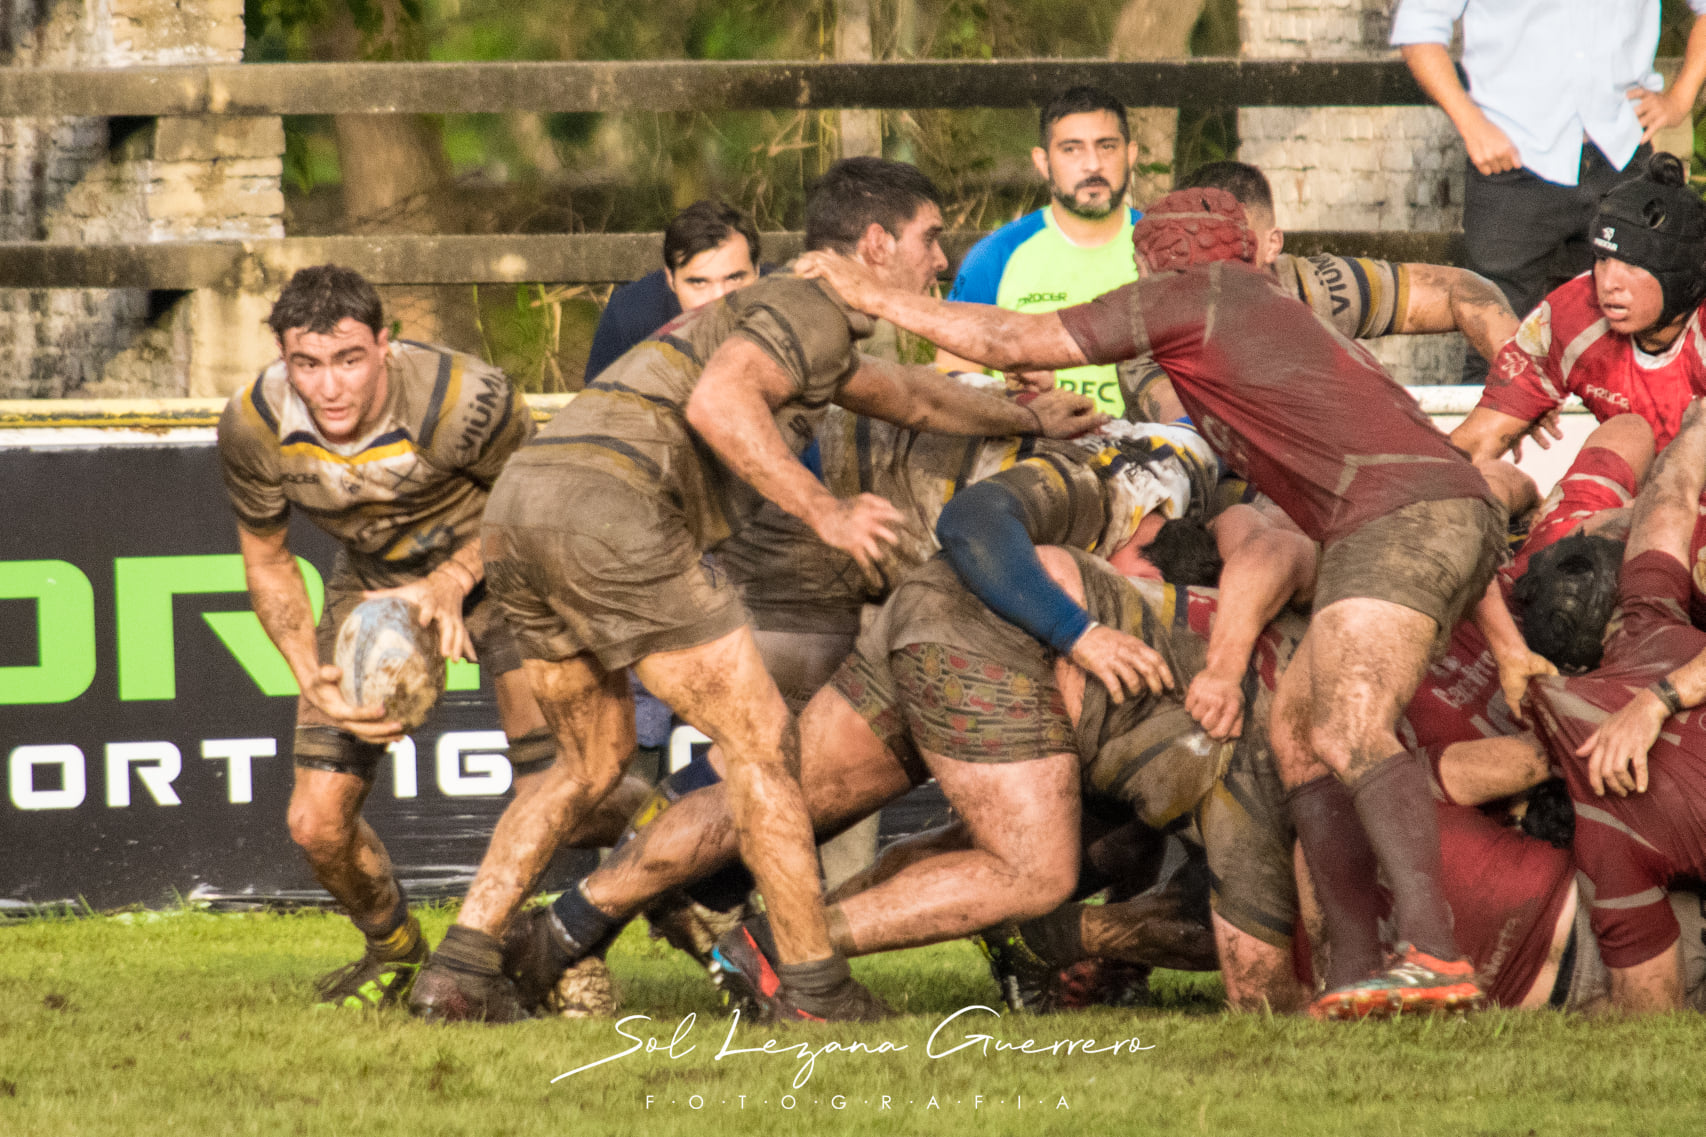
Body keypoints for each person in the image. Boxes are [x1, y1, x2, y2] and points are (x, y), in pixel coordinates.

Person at [797, 186, 1556, 1017]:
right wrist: (1508, 644)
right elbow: (1451, 490)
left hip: (1393, 519)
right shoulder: (1268, 300)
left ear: (1158, 258)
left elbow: (1010, 335)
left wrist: (866, 292)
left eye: (1140, 260)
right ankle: (1354, 968)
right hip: (1418, 516)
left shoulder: (1193, 295)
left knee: (1346, 725)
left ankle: (1435, 954)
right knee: (1300, 735)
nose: (1136, 275)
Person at [406, 157, 1106, 1024]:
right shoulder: (806, 303)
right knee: (765, 748)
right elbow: (719, 402)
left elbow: (908, 396)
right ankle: (812, 985)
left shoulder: (790, 324)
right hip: (613, 510)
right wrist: (826, 509)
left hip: (522, 506)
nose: (940, 260)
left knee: (587, 763)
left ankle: (459, 969)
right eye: (930, 239)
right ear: (875, 243)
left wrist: (1027, 415)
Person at [214, 265, 643, 1011]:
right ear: (283, 357)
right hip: (374, 583)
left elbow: (539, 507)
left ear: (386, 344)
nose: (329, 386)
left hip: (513, 572)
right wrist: (303, 666)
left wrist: (451, 579)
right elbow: (269, 560)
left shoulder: (463, 400)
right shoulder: (255, 422)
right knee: (315, 822)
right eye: (307, 364)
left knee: (566, 791)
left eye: (349, 359)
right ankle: (398, 954)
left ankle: (671, 842)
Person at [1391, 0, 1706, 383]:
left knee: (1628, 348)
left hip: (1622, 156)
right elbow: (1419, 26)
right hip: (1511, 159)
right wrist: (1471, 124)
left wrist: (1679, 100)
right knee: (1497, 348)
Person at [1524, 396, 1706, 1011]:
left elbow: (1650, 1012)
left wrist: (1656, 702)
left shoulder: (1602, 811)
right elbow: (1670, 497)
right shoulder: (1654, 620)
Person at [1122, 160, 1521, 429]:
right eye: (1199, 248)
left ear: (1272, 245)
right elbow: (1191, 424)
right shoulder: (1146, 323)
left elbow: (1463, 289)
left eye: (1234, 247)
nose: (1218, 267)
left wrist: (1521, 384)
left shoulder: (1318, 286)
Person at [1453, 155, 1706, 462]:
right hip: (1630, 484)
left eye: (1632, 266)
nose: (1608, 283)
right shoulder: (1571, 313)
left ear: (1684, 277)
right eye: (1603, 259)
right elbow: (1480, 438)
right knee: (1595, 461)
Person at [939, 85, 1141, 417]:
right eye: (1071, 149)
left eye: (1107, 146)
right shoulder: (995, 256)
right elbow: (953, 385)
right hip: (1027, 443)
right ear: (1043, 162)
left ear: (1130, 154)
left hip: (1149, 445)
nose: (1093, 165)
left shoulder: (1168, 249)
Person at [583, 200, 763, 382]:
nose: (719, 298)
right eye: (699, 282)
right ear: (671, 279)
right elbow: (597, 398)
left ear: (757, 272)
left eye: (734, 279)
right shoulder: (629, 317)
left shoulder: (780, 306)